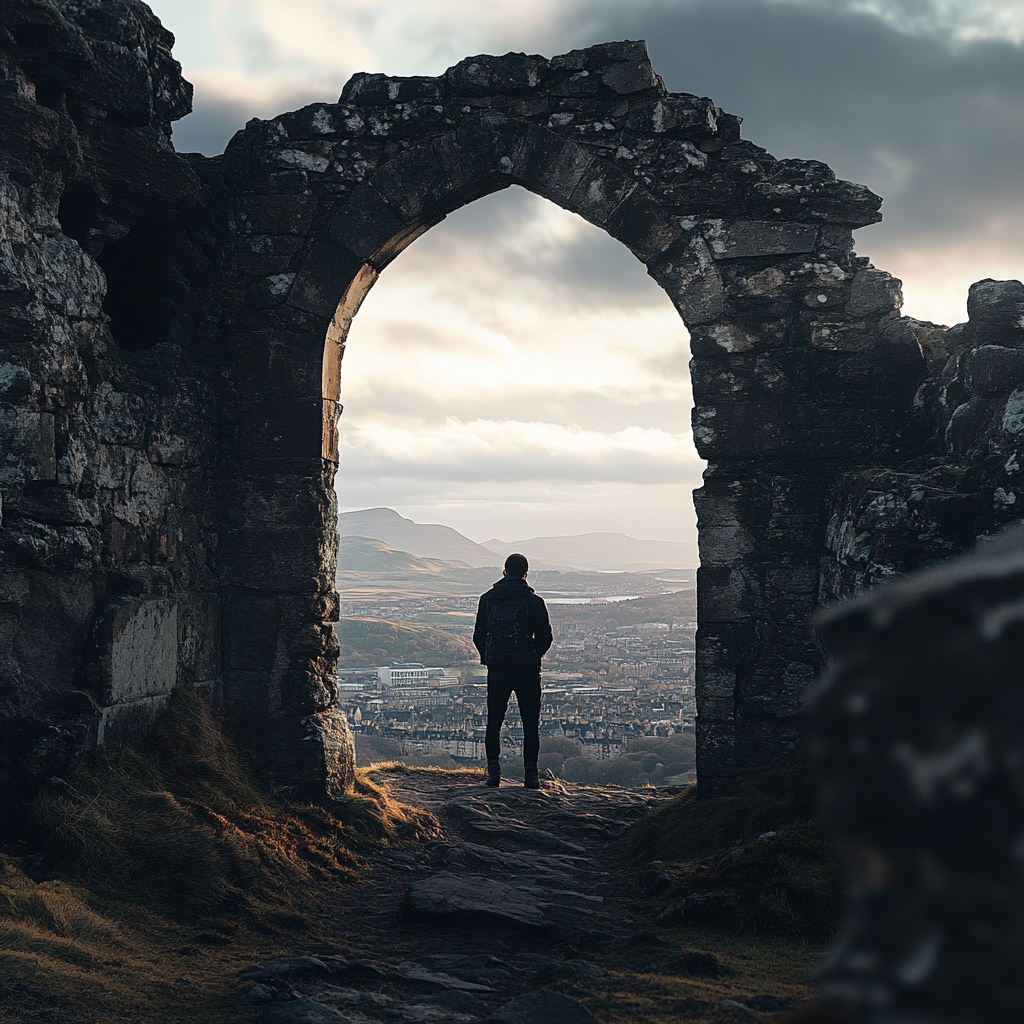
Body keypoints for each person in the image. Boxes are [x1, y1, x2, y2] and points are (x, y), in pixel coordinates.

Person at [473, 552, 553, 789]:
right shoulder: (534, 602)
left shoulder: (488, 599)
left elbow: (479, 636)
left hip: (498, 669)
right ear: (525, 575)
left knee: (494, 722)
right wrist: (532, 656)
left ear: (504, 572)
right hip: (527, 670)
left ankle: (493, 775)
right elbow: (546, 637)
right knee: (530, 723)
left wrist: (489, 658)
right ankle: (531, 777)